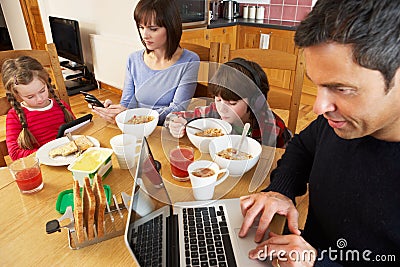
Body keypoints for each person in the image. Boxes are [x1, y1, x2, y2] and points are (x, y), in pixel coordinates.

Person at [238, 0, 400, 266]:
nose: (319, 107)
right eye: (319, 86)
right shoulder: (337, 122)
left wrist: (318, 263)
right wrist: (282, 190)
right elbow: (303, 146)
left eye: (342, 89)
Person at [92, 0, 199, 125]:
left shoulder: (190, 61)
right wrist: (115, 111)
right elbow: (127, 103)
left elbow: (177, 110)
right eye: (141, 27)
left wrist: (135, 117)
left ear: (171, 28)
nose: (145, 35)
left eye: (153, 29)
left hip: (166, 131)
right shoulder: (134, 59)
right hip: (136, 127)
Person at [167, 58, 292, 148]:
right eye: (218, 99)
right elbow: (173, 117)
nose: (222, 109)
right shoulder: (214, 111)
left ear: (255, 102)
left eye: (232, 103)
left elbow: (289, 157)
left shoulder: (271, 126)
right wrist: (175, 123)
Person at [3, 56, 75, 160]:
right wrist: (47, 153)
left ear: (47, 83)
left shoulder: (61, 105)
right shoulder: (14, 116)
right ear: (17, 95)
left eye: (42, 91)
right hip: (42, 165)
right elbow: (14, 153)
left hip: (71, 158)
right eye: (30, 97)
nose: (40, 99)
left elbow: (78, 132)